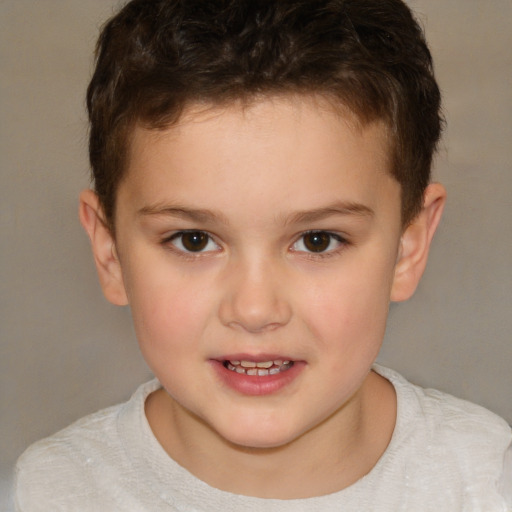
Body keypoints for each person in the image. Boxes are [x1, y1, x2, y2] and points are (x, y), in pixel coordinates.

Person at [13, 0, 512, 510]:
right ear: (110, 251)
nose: (254, 310)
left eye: (318, 240)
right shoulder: (49, 492)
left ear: (409, 247)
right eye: (193, 240)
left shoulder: (488, 481)